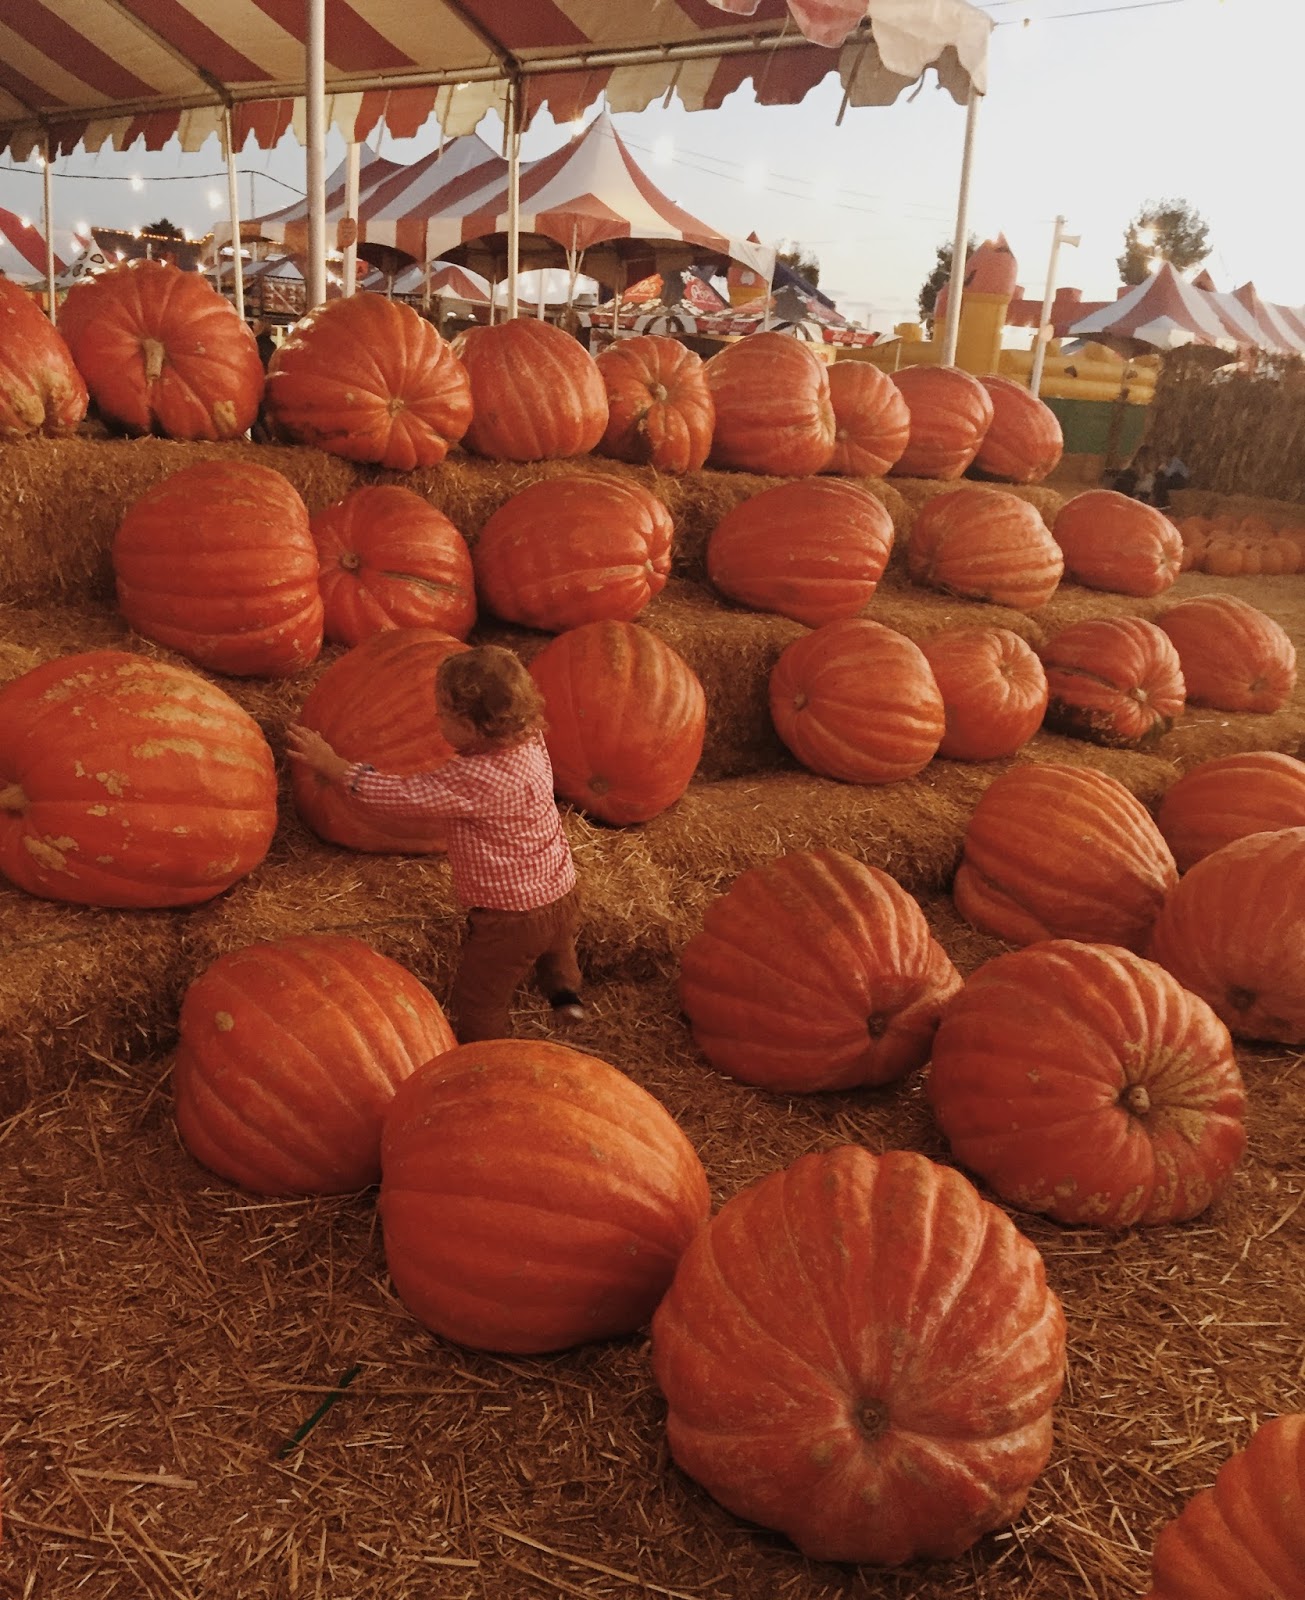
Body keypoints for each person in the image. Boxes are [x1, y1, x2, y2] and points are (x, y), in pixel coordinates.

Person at [286, 645, 585, 1044]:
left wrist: (336, 767)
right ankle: (566, 999)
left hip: (511, 918)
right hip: (561, 888)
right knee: (558, 949)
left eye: (443, 714)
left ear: (475, 728)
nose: (435, 719)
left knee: (479, 995)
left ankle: (484, 1051)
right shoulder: (530, 741)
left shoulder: (474, 777)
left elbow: (403, 796)